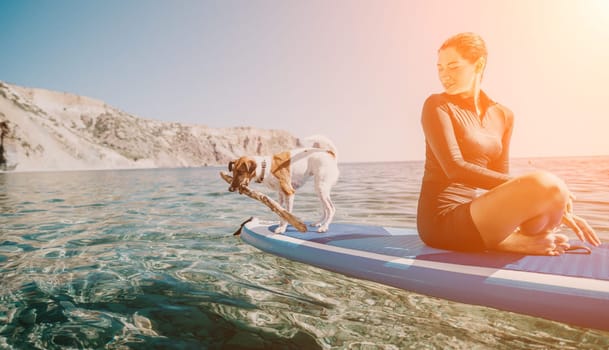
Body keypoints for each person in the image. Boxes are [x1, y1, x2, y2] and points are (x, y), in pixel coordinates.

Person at [416, 32, 601, 255]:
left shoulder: (504, 116)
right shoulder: (437, 105)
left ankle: (515, 239)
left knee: (551, 194)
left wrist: (554, 205)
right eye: (440, 68)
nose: (444, 75)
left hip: (477, 214)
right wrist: (533, 188)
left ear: (479, 65)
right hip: (440, 222)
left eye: (453, 67)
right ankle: (506, 242)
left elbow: (499, 182)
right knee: (546, 184)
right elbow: (454, 168)